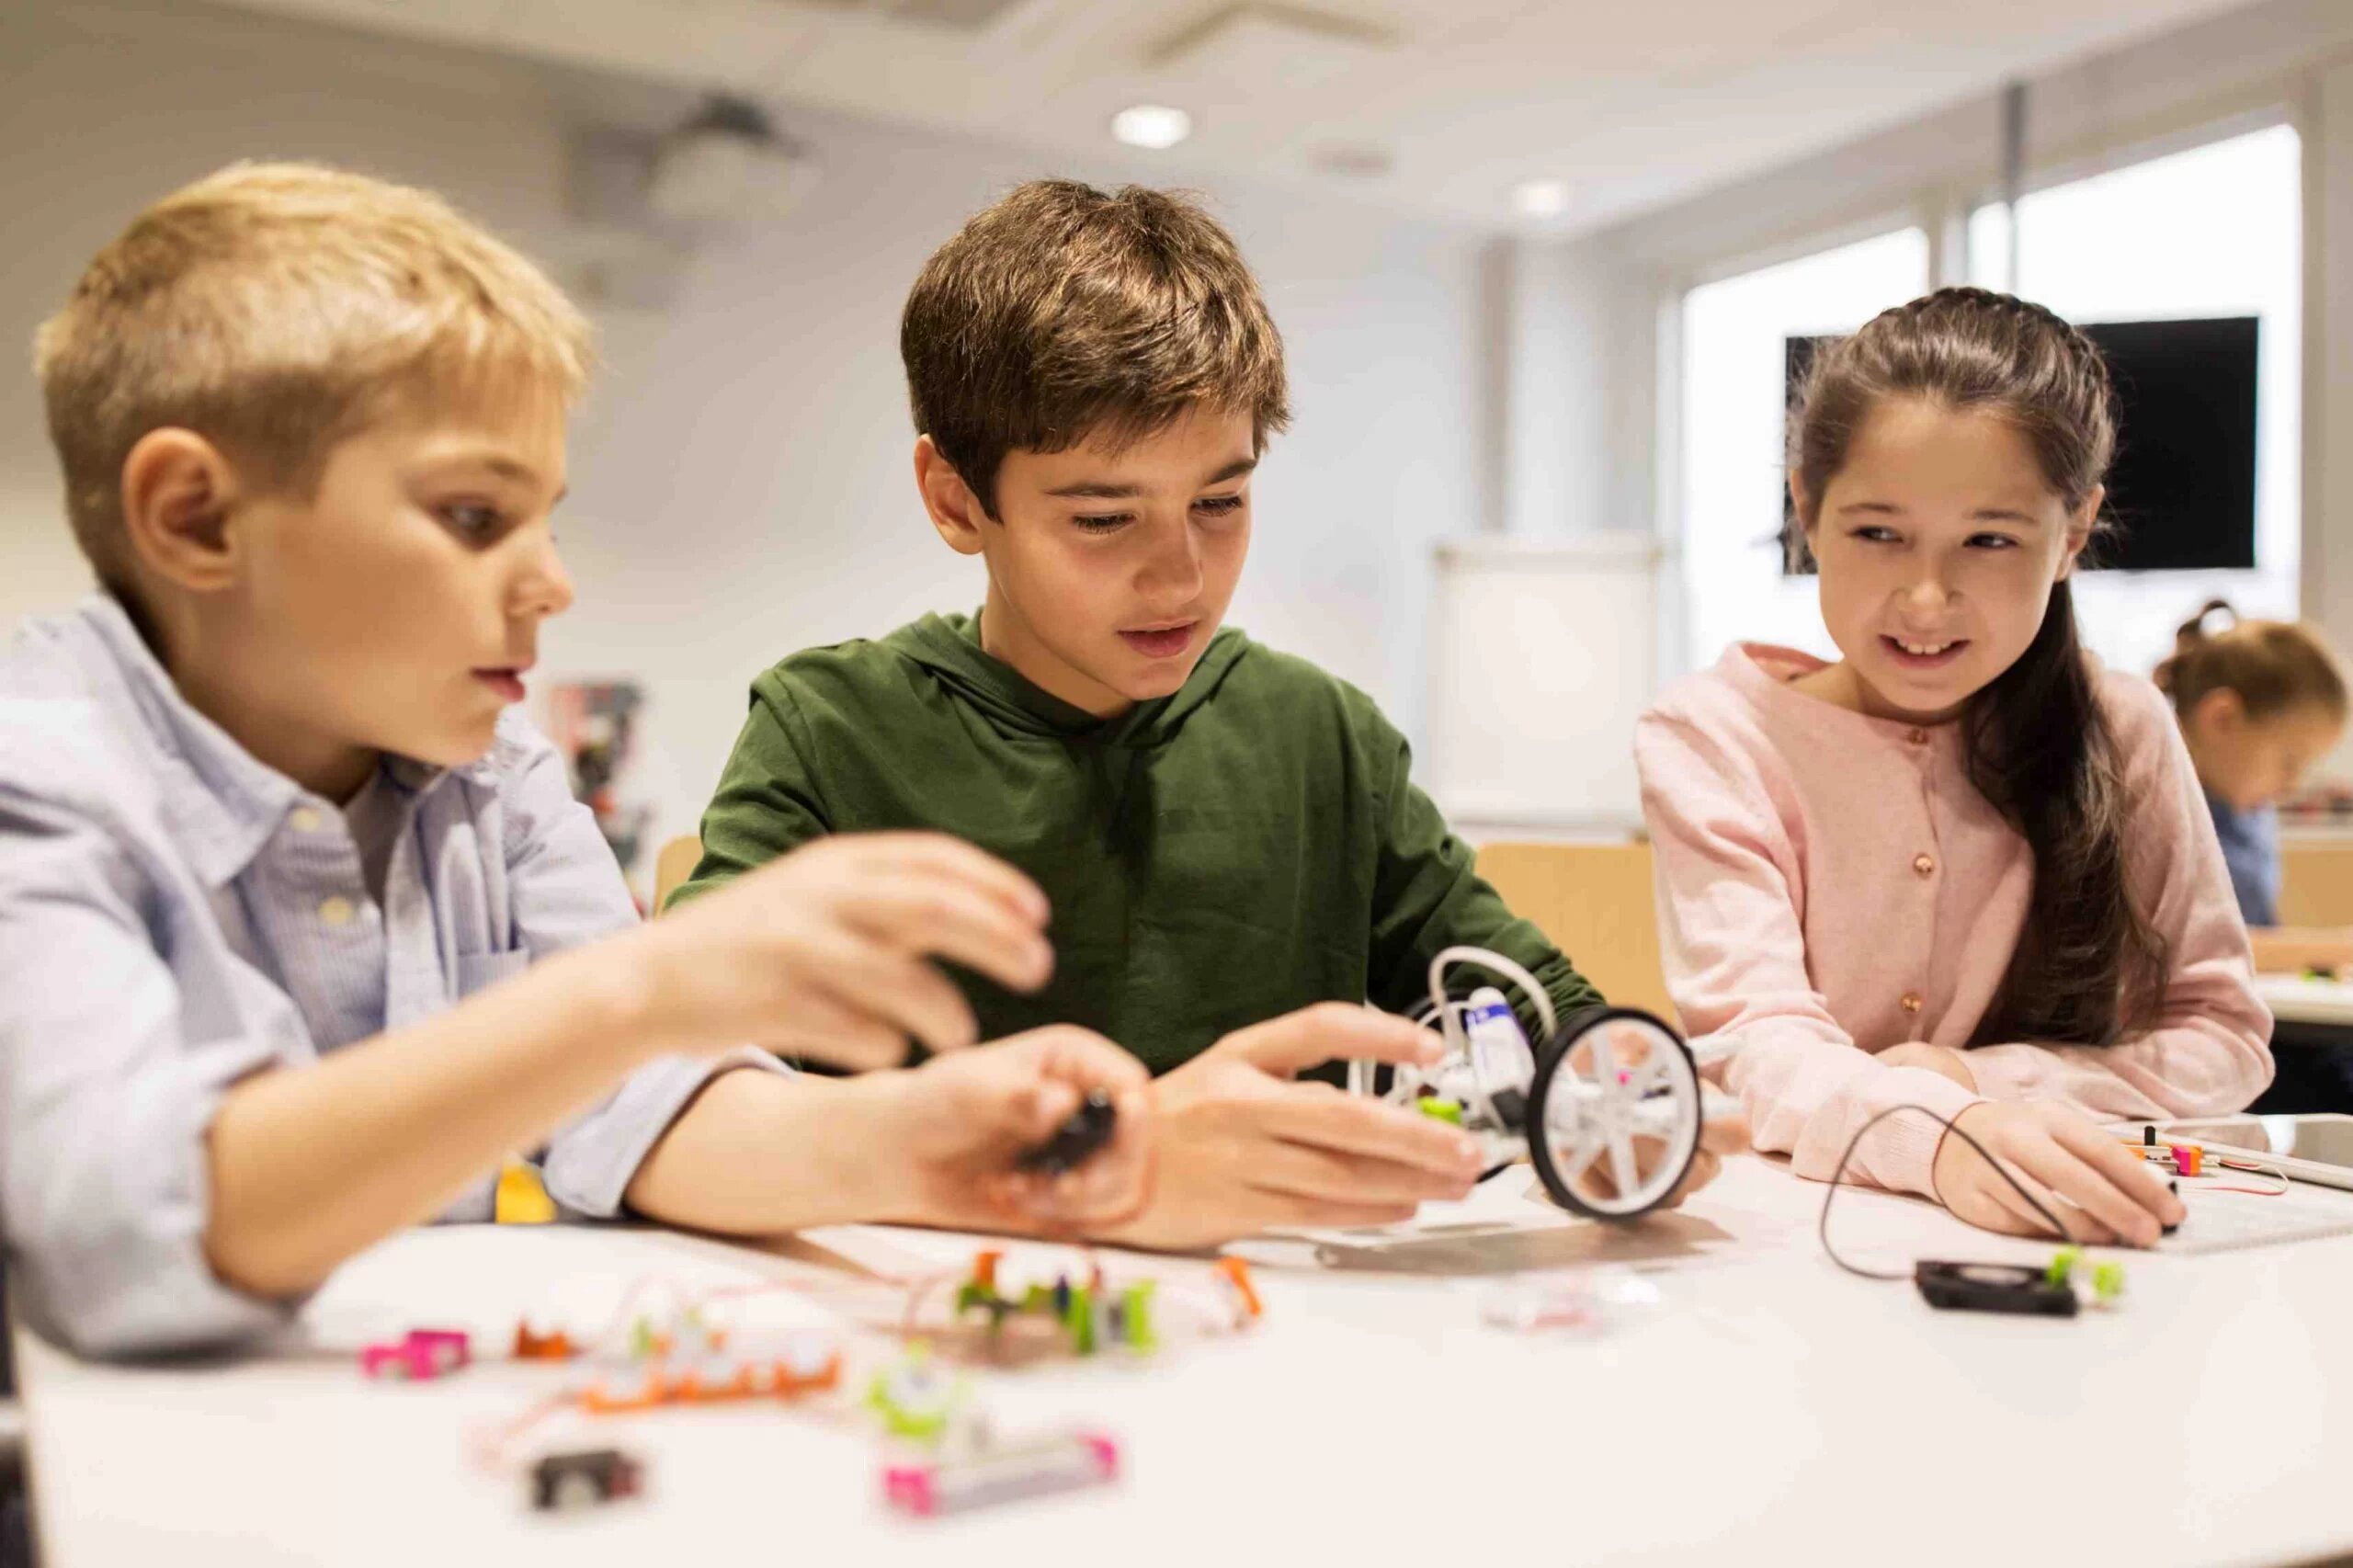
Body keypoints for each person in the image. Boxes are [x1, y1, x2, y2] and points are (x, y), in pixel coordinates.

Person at [0, 163, 1154, 1359]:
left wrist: (935, 1135)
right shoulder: (39, 779)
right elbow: (121, 1236)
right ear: (197, 518)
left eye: (546, 517)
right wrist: (644, 987)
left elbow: (647, 1104)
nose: (551, 580)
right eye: (472, 517)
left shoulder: (491, 774)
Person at [670, 178, 1742, 1247]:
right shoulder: (830, 730)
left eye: (1220, 502)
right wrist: (1095, 1155)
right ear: (957, 500)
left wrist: (1619, 1097)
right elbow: (663, 1098)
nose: (1180, 575)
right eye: (1102, 517)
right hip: (947, 1337)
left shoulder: (1320, 736)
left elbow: (1539, 1009)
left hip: (1288, 1338)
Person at [1637, 286, 2271, 1248]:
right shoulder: (1717, 733)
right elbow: (1751, 1043)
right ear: (1806, 508)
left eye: (1989, 539)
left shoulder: (2122, 727)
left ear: (2069, 534)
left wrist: (1980, 1082)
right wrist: (1939, 1134)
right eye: (1877, 532)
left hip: (2089, 1233)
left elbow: (2220, 1031)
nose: (1925, 599)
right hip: (1803, 1244)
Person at [2154, 598, 2350, 973]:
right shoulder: (2159, 816)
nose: (2291, 786)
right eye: (2289, 761)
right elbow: (2202, 950)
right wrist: (2339, 948)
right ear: (2222, 719)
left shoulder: (2251, 817)